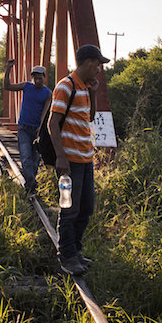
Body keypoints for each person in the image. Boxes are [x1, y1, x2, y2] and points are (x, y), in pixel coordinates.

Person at [48, 44, 111, 276]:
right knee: (70, 210)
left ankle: (75, 250)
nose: (99, 69)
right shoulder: (66, 86)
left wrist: (93, 93)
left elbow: (90, 117)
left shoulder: (85, 88)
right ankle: (67, 256)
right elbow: (52, 124)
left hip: (86, 159)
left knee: (86, 208)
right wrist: (61, 157)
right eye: (97, 64)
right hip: (70, 160)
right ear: (87, 62)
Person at [3, 59, 52, 197]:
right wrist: (8, 69)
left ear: (44, 77)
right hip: (23, 127)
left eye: (40, 77)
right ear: (32, 78)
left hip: (36, 130)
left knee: (35, 161)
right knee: (25, 158)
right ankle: (31, 185)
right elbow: (7, 86)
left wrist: (40, 129)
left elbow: (45, 112)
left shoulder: (48, 93)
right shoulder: (26, 86)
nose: (38, 80)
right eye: (35, 77)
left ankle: (30, 184)